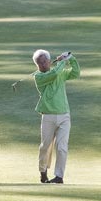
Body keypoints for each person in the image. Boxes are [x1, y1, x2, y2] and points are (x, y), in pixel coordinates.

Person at [32, 50, 80, 184]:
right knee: (45, 146)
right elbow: (54, 74)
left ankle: (59, 176)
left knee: (62, 147)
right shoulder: (38, 77)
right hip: (48, 116)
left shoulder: (59, 72)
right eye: (39, 63)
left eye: (44, 61)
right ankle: (43, 172)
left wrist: (71, 59)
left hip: (64, 115)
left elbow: (75, 73)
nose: (42, 64)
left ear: (49, 61)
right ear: (37, 65)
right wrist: (62, 61)